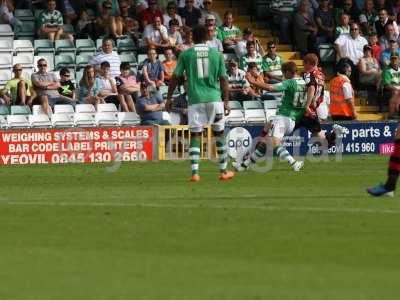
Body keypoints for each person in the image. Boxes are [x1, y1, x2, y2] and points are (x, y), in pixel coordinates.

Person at [166, 24, 234, 182]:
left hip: (195, 100)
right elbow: (224, 79)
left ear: (192, 38)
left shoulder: (186, 54)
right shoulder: (216, 54)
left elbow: (175, 77)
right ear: (207, 37)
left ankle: (195, 173)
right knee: (219, 133)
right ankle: (223, 171)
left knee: (195, 134)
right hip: (214, 98)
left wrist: (169, 97)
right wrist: (226, 101)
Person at [234, 61, 307, 172]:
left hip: (282, 117)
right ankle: (243, 166)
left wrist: (253, 81)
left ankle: (293, 163)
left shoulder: (289, 82)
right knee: (265, 143)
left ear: (287, 72)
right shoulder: (303, 82)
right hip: (293, 120)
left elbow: (270, 88)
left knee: (275, 143)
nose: (283, 75)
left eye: (283, 73)